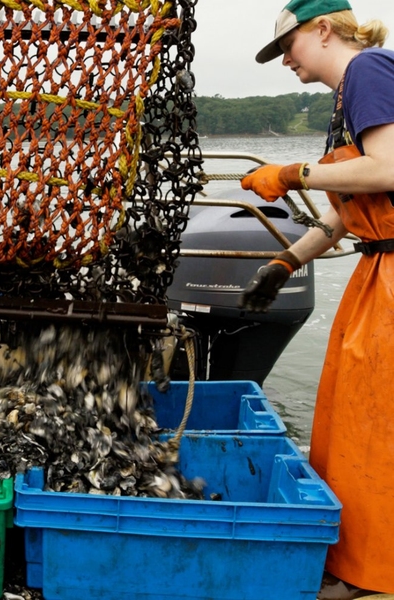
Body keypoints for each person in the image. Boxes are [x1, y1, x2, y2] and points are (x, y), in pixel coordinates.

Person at [239, 0, 394, 594]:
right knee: (349, 418)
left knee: (378, 425)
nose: (285, 63)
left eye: (289, 47)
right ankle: (359, 561)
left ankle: (375, 573)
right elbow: (343, 214)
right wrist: (284, 262)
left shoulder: (372, 72)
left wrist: (290, 173)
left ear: (323, 29)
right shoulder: (346, 98)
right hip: (376, 274)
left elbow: (384, 171)